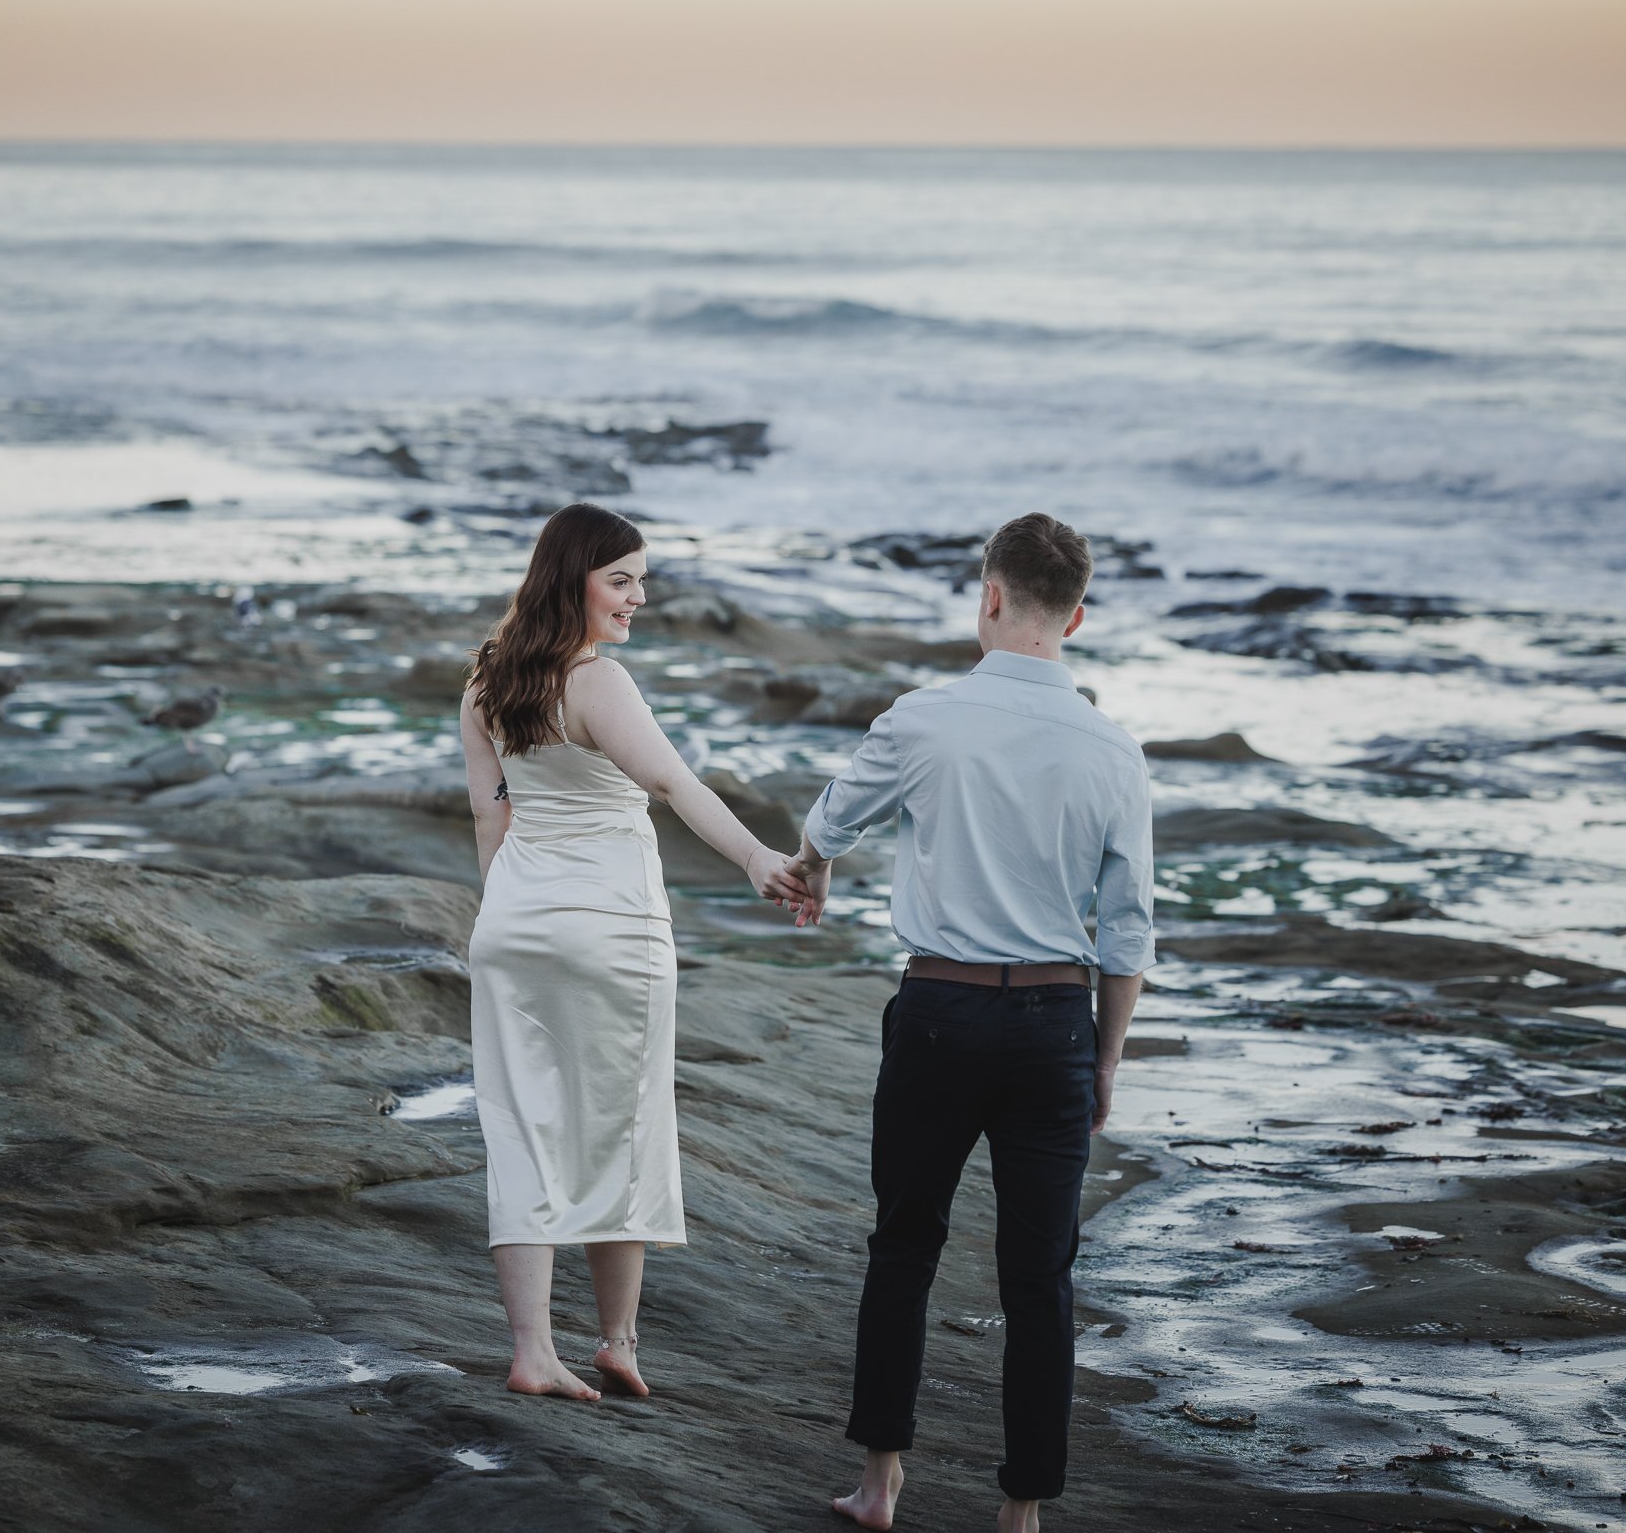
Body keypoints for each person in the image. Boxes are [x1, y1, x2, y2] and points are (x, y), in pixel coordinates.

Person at [786, 513, 1154, 1533]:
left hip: (942, 1008)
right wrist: (1106, 1056)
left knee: (905, 1244)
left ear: (990, 594)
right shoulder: (1114, 748)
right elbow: (1126, 934)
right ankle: (1022, 1507)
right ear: (1075, 615)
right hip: (1053, 1020)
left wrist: (812, 867)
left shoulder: (926, 715)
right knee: (1040, 1276)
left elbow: (830, 821)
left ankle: (880, 1480)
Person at [460, 502, 809, 1402]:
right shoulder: (597, 680)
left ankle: (534, 1348)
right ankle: (616, 1339)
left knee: (522, 1125)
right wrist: (757, 856)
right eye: (621, 579)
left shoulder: (486, 681)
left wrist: (505, 919)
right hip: (611, 927)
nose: (638, 597)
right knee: (623, 1122)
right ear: (570, 577)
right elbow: (672, 780)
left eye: (640, 580)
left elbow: (490, 817)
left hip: (515, 925)